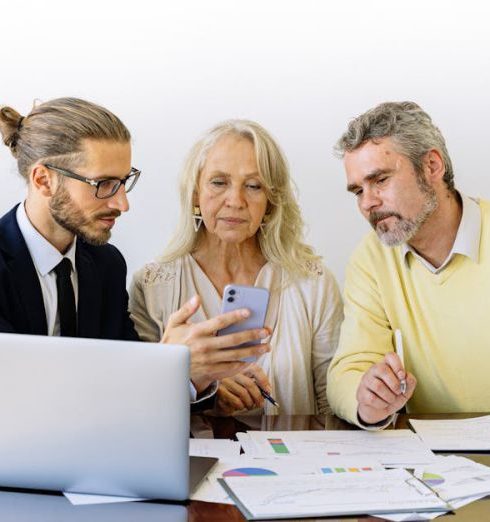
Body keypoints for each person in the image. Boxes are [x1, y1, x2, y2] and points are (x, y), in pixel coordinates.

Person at [0, 98, 270, 402]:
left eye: (123, 182)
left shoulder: (106, 265)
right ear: (43, 180)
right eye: (103, 184)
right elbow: (18, 397)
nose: (122, 204)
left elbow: (125, 388)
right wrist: (169, 363)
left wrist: (192, 374)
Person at [129, 119, 343, 415]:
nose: (235, 200)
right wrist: (199, 382)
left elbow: (332, 403)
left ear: (270, 201)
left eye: (254, 186)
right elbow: (140, 406)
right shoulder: (153, 285)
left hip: (293, 457)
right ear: (195, 193)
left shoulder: (312, 283)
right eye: (219, 182)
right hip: (193, 459)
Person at [327, 101, 490, 428]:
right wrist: (367, 398)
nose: (367, 203)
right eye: (358, 190)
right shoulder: (371, 258)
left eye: (380, 180)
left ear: (431, 166)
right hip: (436, 468)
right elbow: (349, 368)